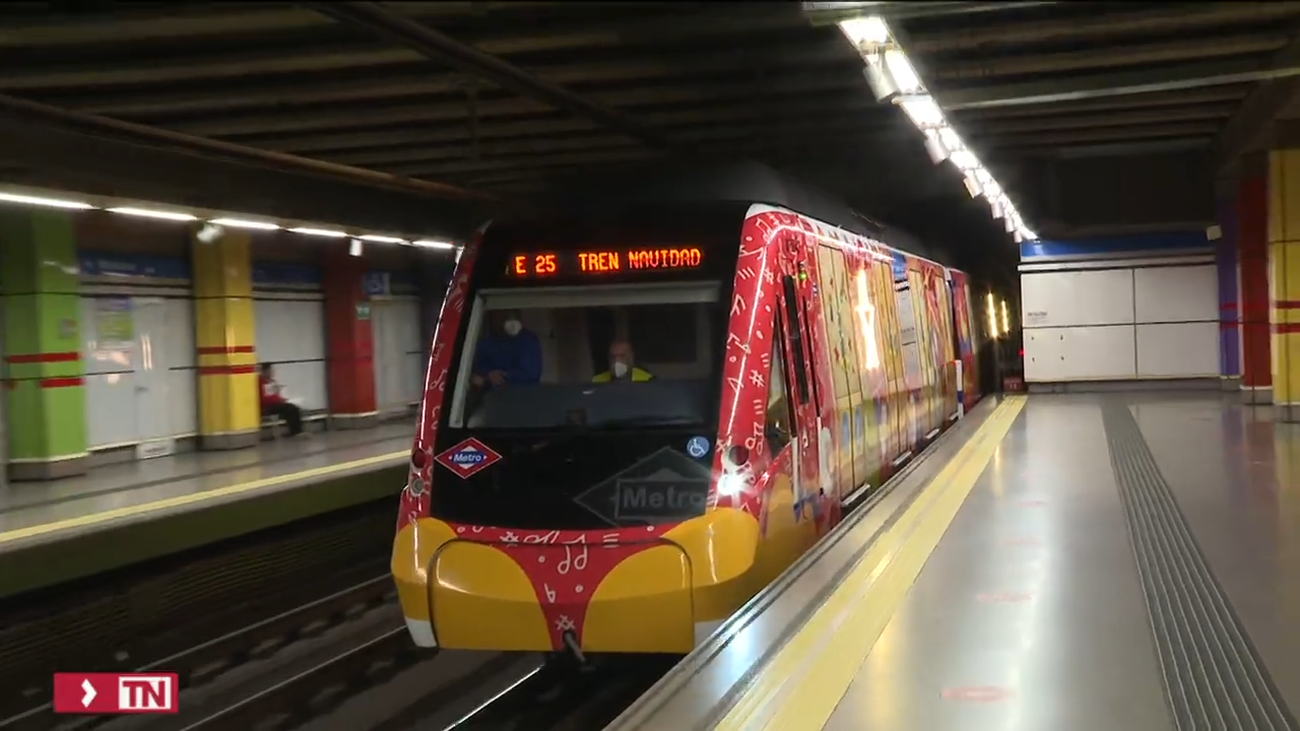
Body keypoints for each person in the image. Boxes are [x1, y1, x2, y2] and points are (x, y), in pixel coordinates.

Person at [472, 309, 542, 388]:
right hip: (491, 396)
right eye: (503, 315)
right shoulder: (485, 343)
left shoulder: (528, 340)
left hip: (521, 395)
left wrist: (504, 376)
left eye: (515, 315)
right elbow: (477, 373)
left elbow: (530, 374)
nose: (510, 319)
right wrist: (486, 377)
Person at [260, 363, 303, 436]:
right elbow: (264, 398)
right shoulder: (260, 382)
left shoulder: (273, 382)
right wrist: (278, 400)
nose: (272, 372)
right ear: (264, 371)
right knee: (289, 408)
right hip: (267, 406)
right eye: (270, 370)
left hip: (276, 404)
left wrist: (282, 399)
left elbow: (276, 394)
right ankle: (295, 431)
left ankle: (297, 430)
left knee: (294, 408)